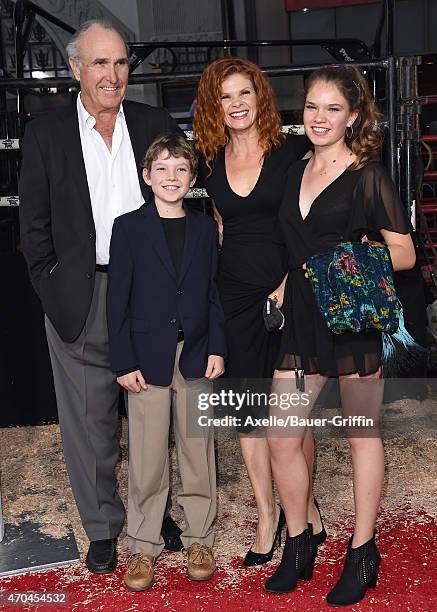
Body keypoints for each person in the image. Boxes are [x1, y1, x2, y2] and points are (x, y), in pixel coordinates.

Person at [19, 19, 184, 574]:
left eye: (119, 62)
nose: (112, 75)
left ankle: (152, 512)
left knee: (152, 410)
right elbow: (33, 227)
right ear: (74, 69)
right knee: (89, 423)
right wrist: (51, 283)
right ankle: (104, 529)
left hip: (149, 293)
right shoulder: (46, 134)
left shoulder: (154, 122)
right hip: (81, 293)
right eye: (98, 63)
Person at [264, 65, 416, 606]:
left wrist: (344, 263)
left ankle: (362, 551)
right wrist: (285, 284)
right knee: (282, 437)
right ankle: (301, 542)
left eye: (332, 108)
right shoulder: (294, 170)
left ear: (353, 116)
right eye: (312, 107)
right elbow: (296, 243)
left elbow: (404, 253)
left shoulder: (368, 175)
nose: (319, 117)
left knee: (360, 435)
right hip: (302, 319)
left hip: (350, 317)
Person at [192, 57, 324, 566]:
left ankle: (306, 511)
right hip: (236, 298)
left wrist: (290, 284)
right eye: (226, 97)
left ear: (259, 96)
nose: (237, 104)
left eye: (245, 92)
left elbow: (307, 225)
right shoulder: (211, 160)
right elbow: (224, 228)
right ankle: (267, 517)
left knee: (290, 416)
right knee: (247, 414)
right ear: (215, 107)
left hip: (288, 293)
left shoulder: (291, 153)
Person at [107, 133, 226, 590]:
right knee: (147, 455)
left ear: (192, 179)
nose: (171, 177)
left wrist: (217, 345)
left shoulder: (202, 229)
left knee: (198, 450)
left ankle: (199, 536)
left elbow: (212, 293)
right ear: (146, 176)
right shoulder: (129, 228)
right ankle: (142, 546)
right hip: (146, 360)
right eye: (162, 169)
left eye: (181, 169)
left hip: (195, 354)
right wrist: (123, 360)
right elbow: (116, 301)